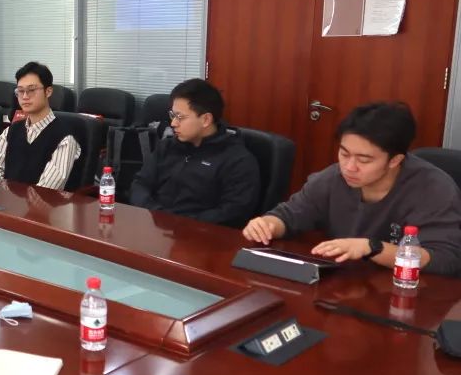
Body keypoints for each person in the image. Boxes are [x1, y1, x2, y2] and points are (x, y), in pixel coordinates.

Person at [243, 102, 461, 275]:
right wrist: (268, 224)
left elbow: (445, 259)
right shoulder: (333, 178)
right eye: (344, 153)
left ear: (395, 160)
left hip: (410, 293)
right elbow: (289, 215)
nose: (349, 167)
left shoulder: (433, 188)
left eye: (364, 160)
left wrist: (373, 248)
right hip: (347, 284)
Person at [129, 78, 260, 227]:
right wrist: (157, 214)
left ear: (206, 120)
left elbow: (233, 213)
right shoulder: (167, 146)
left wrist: (178, 223)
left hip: (199, 235)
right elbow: (140, 184)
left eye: (180, 117)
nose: (173, 123)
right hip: (155, 226)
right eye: (172, 115)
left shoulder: (237, 160)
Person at [0, 61, 82, 190]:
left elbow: (46, 190)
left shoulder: (65, 139)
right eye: (20, 91)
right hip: (6, 200)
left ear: (48, 91)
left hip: (43, 202)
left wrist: (11, 198)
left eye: (31, 90)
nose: (25, 96)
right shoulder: (10, 131)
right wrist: (4, 195)